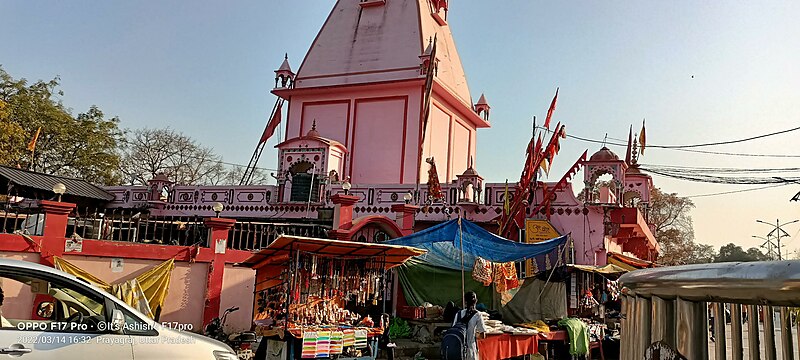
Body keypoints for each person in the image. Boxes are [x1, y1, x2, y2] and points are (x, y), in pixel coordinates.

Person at [452, 291, 487, 360]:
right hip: (470, 350)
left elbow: (454, 329)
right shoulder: (478, 315)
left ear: (465, 301)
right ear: (476, 301)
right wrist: (474, 334)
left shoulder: (458, 314)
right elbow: (483, 336)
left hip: (457, 350)